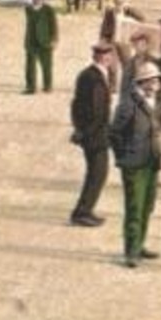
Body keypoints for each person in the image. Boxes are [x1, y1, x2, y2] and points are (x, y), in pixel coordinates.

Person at [111, 60, 161, 268]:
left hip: (151, 162)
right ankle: (131, 251)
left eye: (157, 80)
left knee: (147, 206)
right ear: (142, 82)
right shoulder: (128, 104)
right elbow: (114, 133)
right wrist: (124, 156)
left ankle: (140, 244)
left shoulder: (156, 102)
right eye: (151, 81)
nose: (155, 84)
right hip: (134, 165)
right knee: (134, 208)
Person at [69, 41, 119, 227]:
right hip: (96, 135)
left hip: (90, 133)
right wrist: (91, 133)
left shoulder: (88, 74)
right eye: (109, 56)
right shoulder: (96, 78)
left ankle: (85, 210)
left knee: (96, 173)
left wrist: (78, 129)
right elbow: (96, 111)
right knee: (97, 174)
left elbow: (76, 105)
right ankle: (82, 212)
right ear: (105, 58)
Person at [23, 0, 58, 94]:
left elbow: (54, 25)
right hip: (31, 41)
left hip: (45, 41)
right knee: (30, 66)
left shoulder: (49, 10)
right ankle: (31, 87)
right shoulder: (28, 9)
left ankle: (48, 86)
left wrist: (54, 39)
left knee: (47, 65)